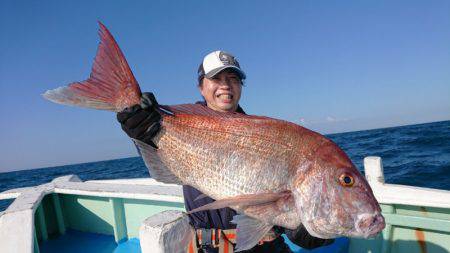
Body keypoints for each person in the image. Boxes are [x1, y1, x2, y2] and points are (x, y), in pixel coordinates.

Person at [117, 51, 334, 252]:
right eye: (216, 79)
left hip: (266, 244)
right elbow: (160, 165)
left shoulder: (266, 136)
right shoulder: (176, 126)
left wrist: (305, 225)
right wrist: (142, 131)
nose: (226, 86)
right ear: (201, 87)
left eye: (233, 79)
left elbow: (281, 198)